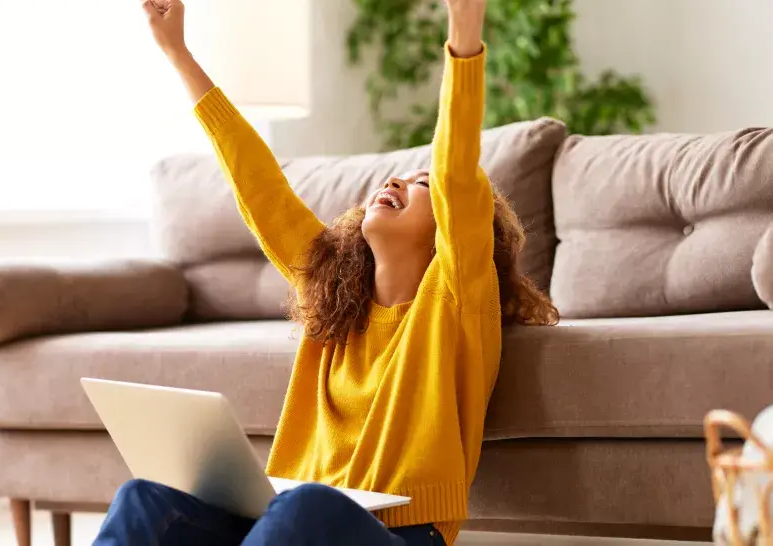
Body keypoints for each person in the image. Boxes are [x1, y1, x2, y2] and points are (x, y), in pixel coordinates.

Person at [95, 0, 559, 543]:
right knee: (144, 499)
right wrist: (178, 53)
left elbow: (456, 170)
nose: (395, 183)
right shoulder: (334, 290)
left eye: (422, 185)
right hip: (288, 522)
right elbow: (260, 187)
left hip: (399, 534)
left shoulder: (457, 300)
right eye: (397, 177)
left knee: (306, 506)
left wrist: (464, 32)